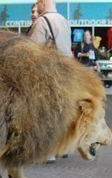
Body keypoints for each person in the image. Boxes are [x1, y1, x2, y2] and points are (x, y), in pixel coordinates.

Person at [28, 0, 72, 162]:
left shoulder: (42, 22)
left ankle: (48, 152)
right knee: (59, 113)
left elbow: (31, 53)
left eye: (37, 3)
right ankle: (61, 147)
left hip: (47, 74)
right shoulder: (63, 20)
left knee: (44, 114)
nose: (36, 7)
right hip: (64, 72)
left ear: (43, 3)